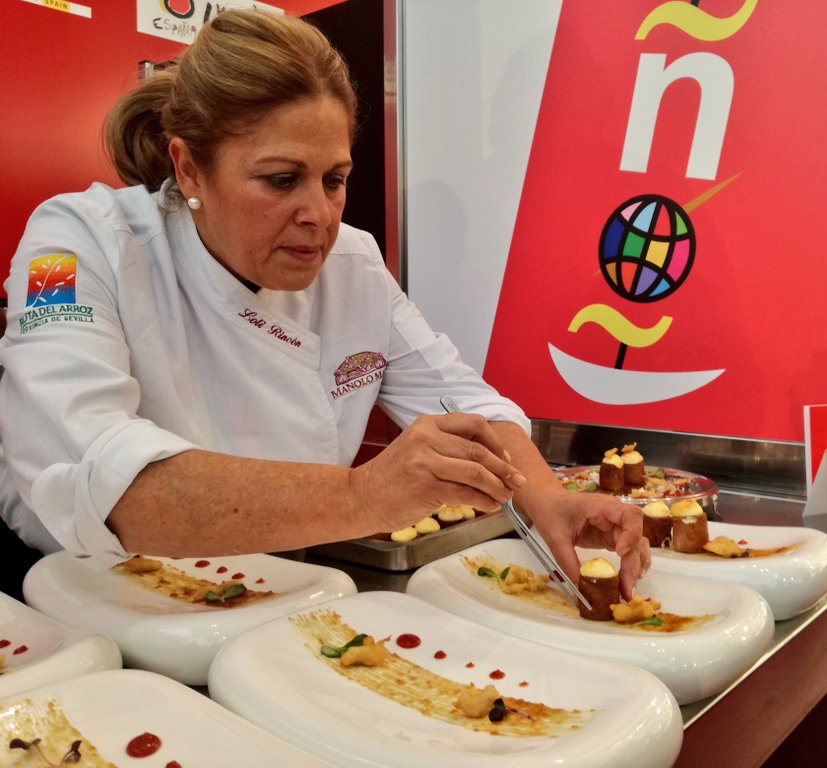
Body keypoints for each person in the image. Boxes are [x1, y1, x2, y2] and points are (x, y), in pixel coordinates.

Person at [0, 10, 648, 596]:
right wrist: (363, 494)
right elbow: (99, 477)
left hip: (276, 583)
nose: (319, 215)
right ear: (190, 168)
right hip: (94, 595)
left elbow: (463, 403)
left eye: (334, 179)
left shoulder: (353, 262)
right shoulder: (80, 242)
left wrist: (548, 500)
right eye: (281, 180)